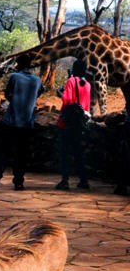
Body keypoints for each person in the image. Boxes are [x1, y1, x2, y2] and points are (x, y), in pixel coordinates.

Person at [0, 55, 43, 192]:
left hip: (11, 121)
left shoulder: (15, 77)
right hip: (27, 123)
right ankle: (18, 182)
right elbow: (39, 93)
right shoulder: (37, 80)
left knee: (3, 150)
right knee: (22, 153)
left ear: (18, 64)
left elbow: (8, 95)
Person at [55, 59, 91, 191]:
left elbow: (67, 100)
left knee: (64, 153)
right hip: (80, 123)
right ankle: (83, 180)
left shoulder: (71, 81)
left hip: (67, 123)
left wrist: (60, 93)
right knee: (78, 152)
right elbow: (86, 105)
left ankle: (65, 181)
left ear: (74, 69)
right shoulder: (87, 84)